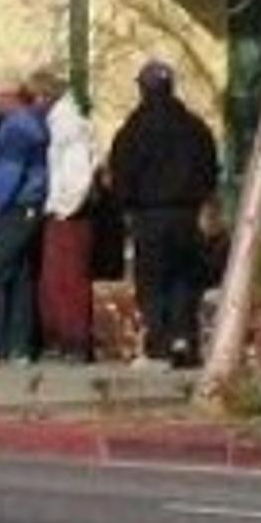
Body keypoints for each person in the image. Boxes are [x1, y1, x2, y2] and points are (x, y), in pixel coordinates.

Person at [104, 60, 218, 370]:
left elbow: (122, 172)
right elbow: (209, 169)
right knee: (183, 278)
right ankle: (183, 338)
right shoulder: (195, 128)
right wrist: (204, 202)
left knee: (152, 280)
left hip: (150, 214)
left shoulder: (134, 129)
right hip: (186, 214)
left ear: (143, 89)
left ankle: (158, 346)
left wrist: (124, 207)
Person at [0, 73, 53, 363]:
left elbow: (7, 173)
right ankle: (19, 346)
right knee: (18, 275)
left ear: (7, 97)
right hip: (27, 207)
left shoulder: (16, 129)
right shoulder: (28, 123)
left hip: (14, 208)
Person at [32, 66, 100, 363]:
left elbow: (76, 172)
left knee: (68, 279)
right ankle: (63, 337)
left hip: (68, 213)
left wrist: (64, 207)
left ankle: (75, 339)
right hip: (63, 209)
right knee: (56, 278)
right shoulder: (61, 121)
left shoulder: (68, 124)